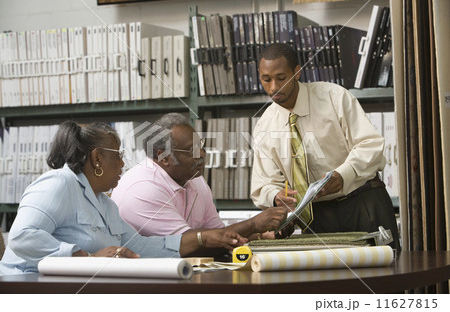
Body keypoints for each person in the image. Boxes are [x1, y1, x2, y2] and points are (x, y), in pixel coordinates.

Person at [0, 121, 246, 275]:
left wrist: (202, 238)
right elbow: (22, 237)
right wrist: (86, 258)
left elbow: (141, 246)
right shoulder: (58, 184)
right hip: (24, 286)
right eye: (117, 155)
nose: (123, 163)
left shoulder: (106, 204)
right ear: (97, 158)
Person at [250, 43, 400, 250]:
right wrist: (275, 196)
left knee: (384, 278)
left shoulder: (334, 97)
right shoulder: (264, 126)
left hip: (363, 201)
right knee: (328, 281)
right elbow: (263, 184)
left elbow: (370, 145)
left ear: (297, 72)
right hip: (316, 217)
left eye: (281, 78)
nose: (274, 87)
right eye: (266, 79)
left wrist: (342, 175)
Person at [111, 113, 290, 250]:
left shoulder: (194, 179)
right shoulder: (143, 188)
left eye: (201, 145)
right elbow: (189, 244)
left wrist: (262, 234)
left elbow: (218, 235)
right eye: (192, 150)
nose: (202, 154)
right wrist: (253, 224)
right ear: (163, 157)